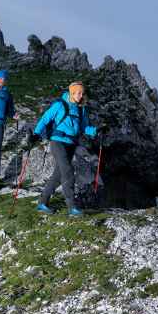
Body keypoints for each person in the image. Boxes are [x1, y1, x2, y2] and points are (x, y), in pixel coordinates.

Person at [29, 81, 97, 216]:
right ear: (72, 93)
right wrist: (36, 134)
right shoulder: (60, 105)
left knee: (58, 175)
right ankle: (72, 208)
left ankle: (42, 203)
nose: (80, 95)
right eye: (78, 93)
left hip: (71, 144)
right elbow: (45, 119)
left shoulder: (80, 108)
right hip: (57, 142)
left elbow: (84, 127)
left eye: (82, 93)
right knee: (68, 171)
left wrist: (97, 131)